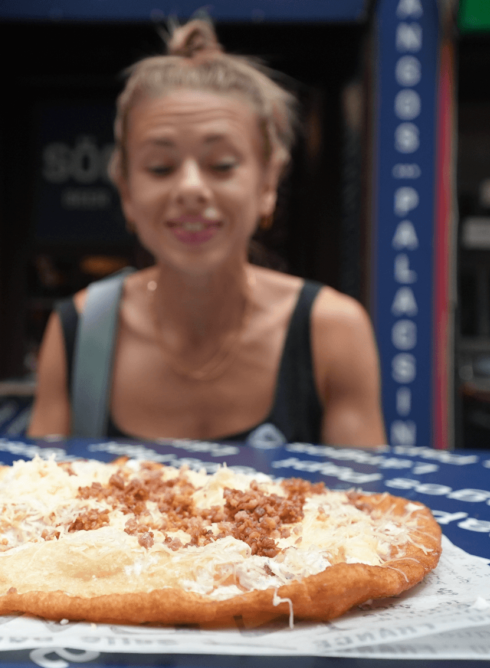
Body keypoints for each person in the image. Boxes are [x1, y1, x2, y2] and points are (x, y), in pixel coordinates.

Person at [28, 19, 385, 448]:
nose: (191, 189)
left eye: (222, 165)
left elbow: (364, 509)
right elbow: (41, 499)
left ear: (268, 182)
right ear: (125, 190)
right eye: (160, 167)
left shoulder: (331, 332)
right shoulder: (80, 330)